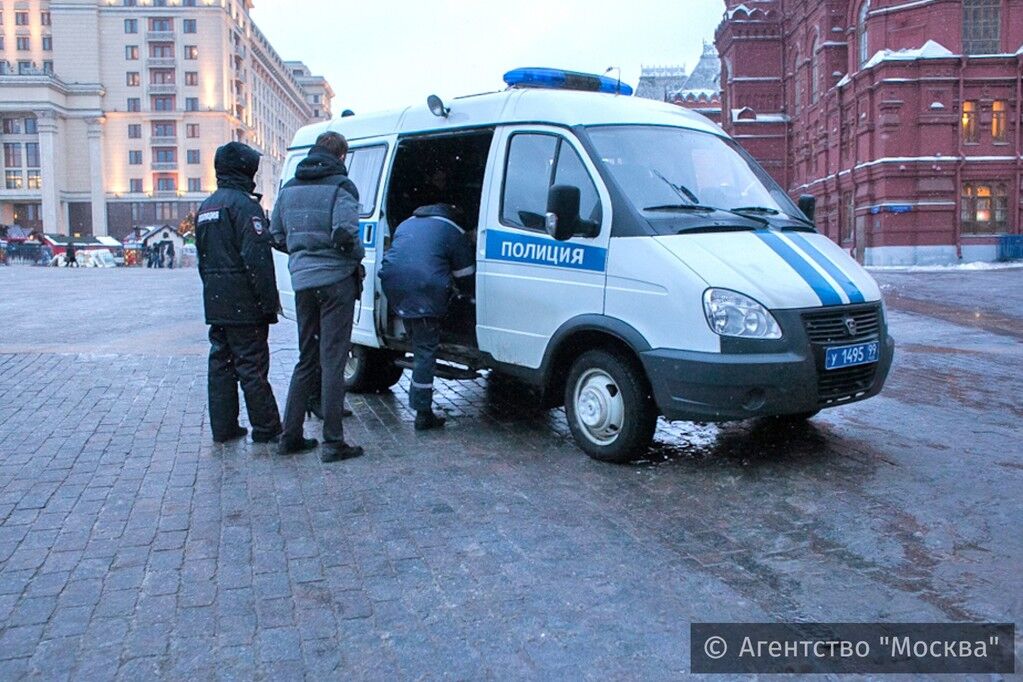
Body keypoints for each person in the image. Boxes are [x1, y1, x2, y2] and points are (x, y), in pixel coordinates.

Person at [270, 131, 364, 462]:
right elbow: (346, 233)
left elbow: (275, 234)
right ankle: (333, 442)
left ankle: (289, 435)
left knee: (306, 357)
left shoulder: (290, 188)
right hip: (337, 281)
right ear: (341, 156)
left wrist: (301, 253)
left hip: (303, 283)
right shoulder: (342, 186)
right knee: (333, 360)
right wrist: (353, 256)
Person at [196, 141, 283, 444]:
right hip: (245, 305)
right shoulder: (245, 207)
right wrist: (268, 304)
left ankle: (224, 427)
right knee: (251, 365)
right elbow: (257, 260)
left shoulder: (207, 206)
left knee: (221, 365)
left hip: (217, 302)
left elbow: (202, 259)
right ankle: (267, 427)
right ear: (246, 171)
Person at [379, 203, 475, 430]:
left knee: (418, 339)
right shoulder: (452, 230)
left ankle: (415, 336)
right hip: (423, 289)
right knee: (424, 352)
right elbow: (466, 275)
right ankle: (423, 413)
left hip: (394, 287)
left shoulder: (406, 224)